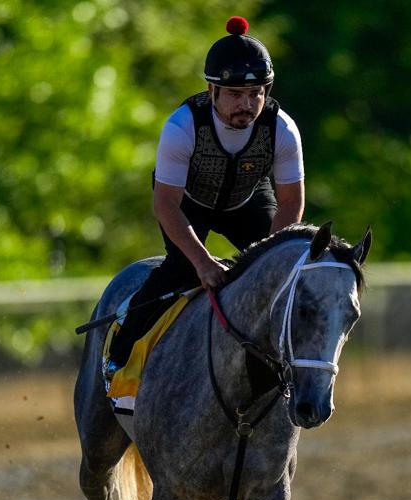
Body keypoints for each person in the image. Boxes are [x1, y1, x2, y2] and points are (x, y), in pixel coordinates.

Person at [106, 15, 305, 373]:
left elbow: (291, 203)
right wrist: (202, 262)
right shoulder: (182, 126)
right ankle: (118, 354)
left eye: (256, 93)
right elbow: (165, 202)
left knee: (283, 270)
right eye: (234, 94)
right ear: (211, 91)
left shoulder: (283, 130)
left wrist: (270, 261)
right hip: (187, 204)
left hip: (247, 199)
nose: (246, 104)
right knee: (181, 269)